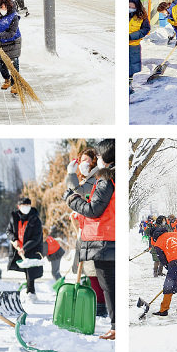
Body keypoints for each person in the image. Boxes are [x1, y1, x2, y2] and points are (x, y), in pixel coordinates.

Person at [64, 139, 115, 340]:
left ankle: (112, 321)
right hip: (99, 234)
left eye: (90, 159)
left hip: (102, 236)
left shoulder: (104, 178)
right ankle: (112, 320)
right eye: (81, 161)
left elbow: (88, 202)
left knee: (107, 282)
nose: (84, 164)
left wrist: (70, 198)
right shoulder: (105, 177)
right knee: (106, 281)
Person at [7, 197, 44, 301]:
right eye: (23, 206)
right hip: (18, 248)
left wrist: (25, 248)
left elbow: (36, 238)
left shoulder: (35, 219)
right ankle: (28, 291)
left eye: (28, 206)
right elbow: (9, 231)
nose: (26, 208)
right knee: (25, 270)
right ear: (19, 207)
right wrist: (14, 240)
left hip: (32, 248)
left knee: (31, 270)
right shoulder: (14, 217)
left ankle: (31, 292)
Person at [129, 0, 151, 94]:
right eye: (129, 6)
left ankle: (129, 86)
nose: (130, 9)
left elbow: (146, 29)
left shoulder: (142, 16)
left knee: (131, 68)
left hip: (133, 45)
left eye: (133, 7)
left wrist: (131, 36)